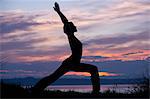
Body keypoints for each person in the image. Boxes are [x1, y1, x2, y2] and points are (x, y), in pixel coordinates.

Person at [32, 2, 100, 94]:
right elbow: (65, 22)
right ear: (71, 29)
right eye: (73, 25)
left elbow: (66, 23)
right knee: (52, 77)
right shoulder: (71, 36)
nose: (75, 26)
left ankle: (96, 92)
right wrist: (59, 12)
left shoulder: (73, 37)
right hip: (70, 63)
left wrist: (59, 12)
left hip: (74, 63)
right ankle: (35, 90)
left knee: (93, 69)